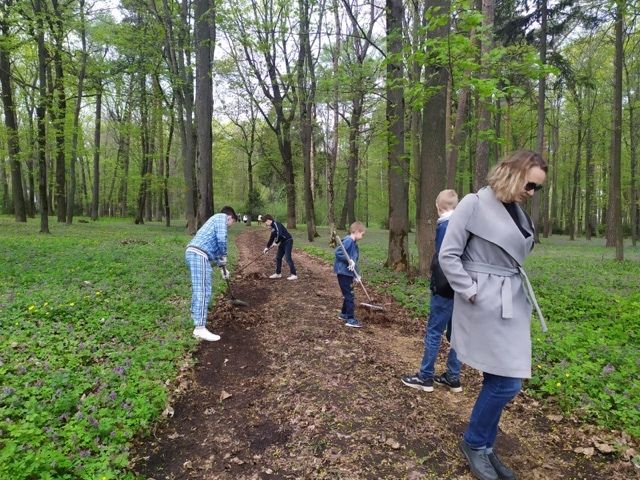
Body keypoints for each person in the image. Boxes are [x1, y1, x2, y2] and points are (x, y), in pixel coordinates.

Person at [439, 150, 547, 480]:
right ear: (511, 173)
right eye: (530, 185)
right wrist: (471, 291)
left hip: (510, 300)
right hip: (485, 301)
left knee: (500, 378)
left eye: (537, 189)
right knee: (506, 383)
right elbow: (448, 254)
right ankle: (474, 443)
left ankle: (484, 447)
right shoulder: (473, 203)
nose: (531, 193)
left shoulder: (515, 210)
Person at [401, 189, 462, 393]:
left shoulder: (445, 225)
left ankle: (425, 377)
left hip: (445, 288)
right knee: (458, 334)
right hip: (462, 288)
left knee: (434, 331)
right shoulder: (464, 225)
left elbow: (445, 259)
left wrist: (437, 283)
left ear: (438, 207)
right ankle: (453, 376)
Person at [185, 206, 237, 342]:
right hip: (199, 254)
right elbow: (221, 239)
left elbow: (214, 248)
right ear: (230, 218)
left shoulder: (213, 221)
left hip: (196, 252)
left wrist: (222, 268)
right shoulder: (221, 218)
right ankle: (200, 328)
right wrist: (224, 255)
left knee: (199, 288)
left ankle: (195, 316)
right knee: (203, 290)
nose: (229, 227)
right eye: (232, 224)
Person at [334, 221, 366, 328]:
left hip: (348, 273)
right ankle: (351, 319)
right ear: (356, 231)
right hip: (343, 273)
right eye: (362, 234)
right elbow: (338, 252)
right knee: (350, 295)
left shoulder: (354, 244)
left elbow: (353, 260)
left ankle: (344, 314)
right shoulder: (348, 241)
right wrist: (348, 260)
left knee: (348, 294)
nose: (362, 236)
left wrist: (357, 274)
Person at [262, 214, 297, 280]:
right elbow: (271, 238)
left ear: (269, 220)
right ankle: (278, 273)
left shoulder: (276, 224)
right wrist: (267, 247)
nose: (266, 224)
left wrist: (276, 242)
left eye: (265, 222)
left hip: (288, 241)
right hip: (283, 242)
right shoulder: (272, 227)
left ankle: (294, 274)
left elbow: (279, 234)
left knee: (287, 257)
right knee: (278, 257)